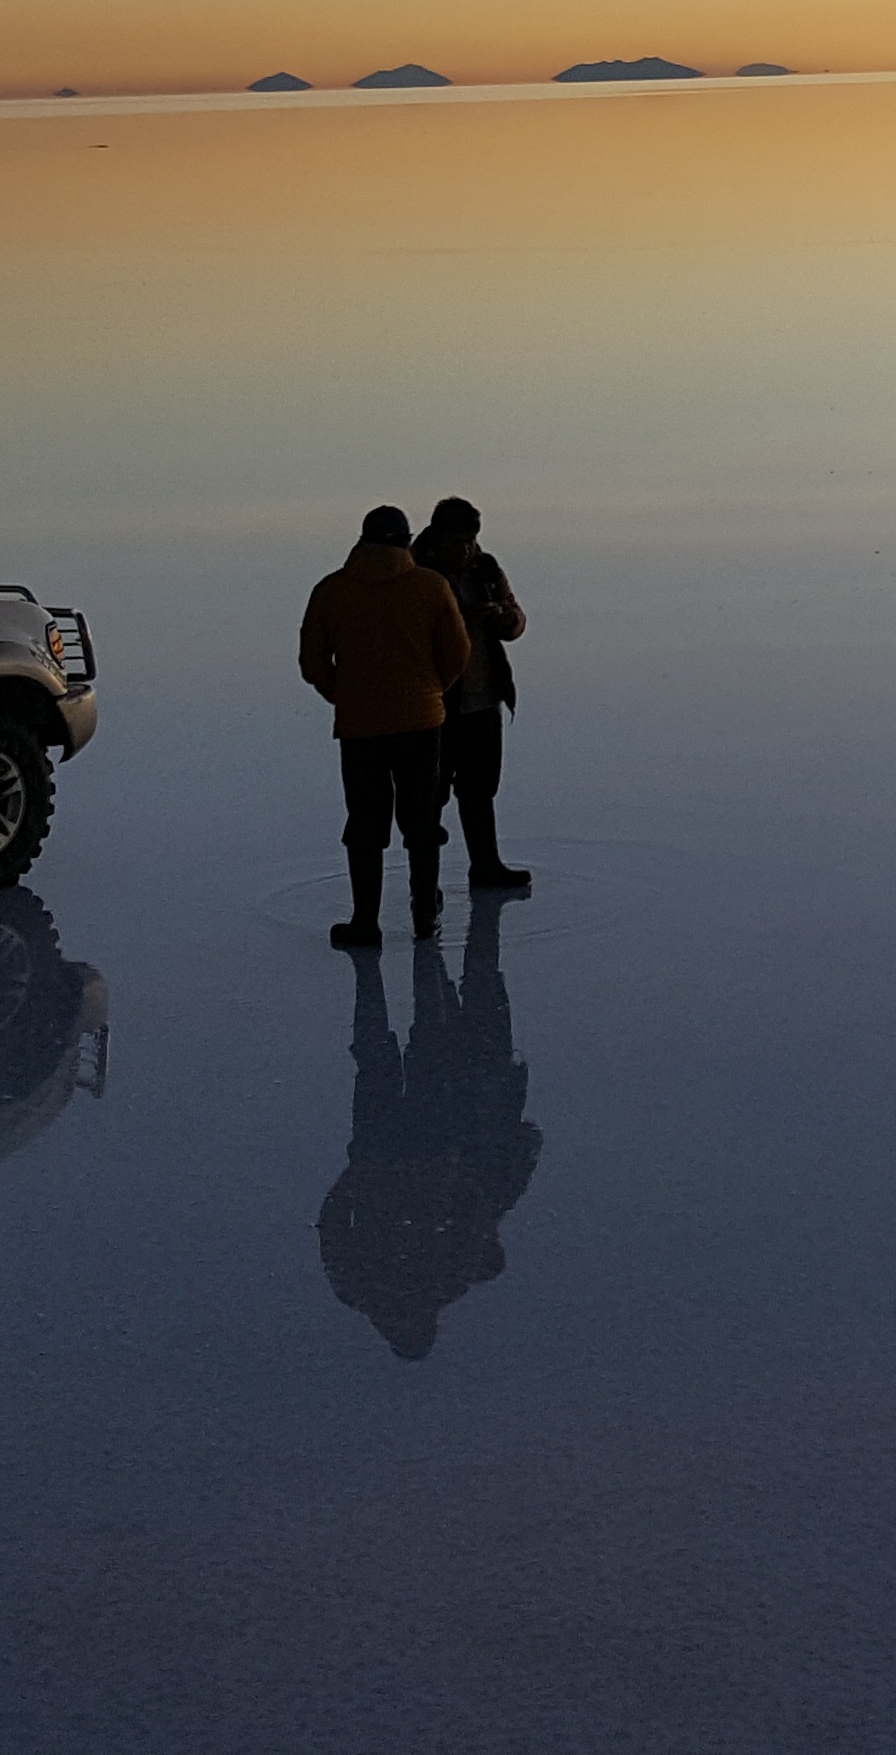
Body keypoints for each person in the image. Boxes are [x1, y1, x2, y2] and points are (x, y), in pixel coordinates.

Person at [314, 891, 545, 1356]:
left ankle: (415, 960)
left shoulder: (390, 1285)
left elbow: (334, 1224)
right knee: (390, 1056)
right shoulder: (386, 1286)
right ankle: (415, 960)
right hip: (405, 1156)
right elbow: (333, 1223)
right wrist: (354, 1177)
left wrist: (357, 1178)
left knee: (410, 1053)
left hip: (412, 1157)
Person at [295, 502, 472, 948]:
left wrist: (345, 694)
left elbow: (312, 662)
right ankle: (424, 914)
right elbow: (458, 652)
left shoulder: (331, 591)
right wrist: (430, 690)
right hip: (420, 722)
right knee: (422, 821)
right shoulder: (430, 587)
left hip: (360, 728)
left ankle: (365, 921)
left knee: (365, 825)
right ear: (407, 542)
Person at [411, 497, 535, 895]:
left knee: (480, 789)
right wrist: (464, 619)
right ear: (438, 537)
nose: (466, 548)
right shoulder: (417, 574)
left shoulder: (485, 569)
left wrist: (502, 619)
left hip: (482, 696)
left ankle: (486, 865)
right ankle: (425, 883)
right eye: (458, 540)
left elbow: (516, 620)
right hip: (436, 702)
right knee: (432, 794)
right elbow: (413, 634)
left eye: (471, 539)